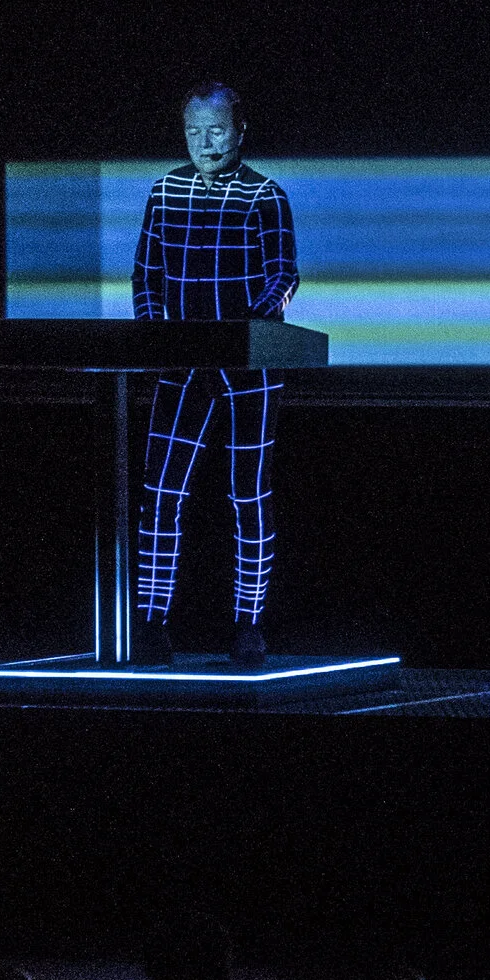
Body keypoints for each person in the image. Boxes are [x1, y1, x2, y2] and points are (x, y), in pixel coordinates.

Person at [132, 84, 299, 667]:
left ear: (240, 129)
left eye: (217, 130)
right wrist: (156, 338)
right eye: (194, 132)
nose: (205, 143)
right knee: (161, 492)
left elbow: (283, 276)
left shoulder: (265, 195)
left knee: (248, 493)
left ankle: (249, 624)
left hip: (249, 367)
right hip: (180, 366)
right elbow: (146, 276)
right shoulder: (165, 191)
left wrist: (248, 331)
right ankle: (151, 622)